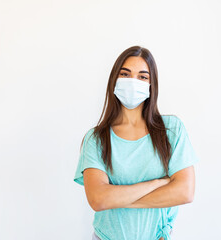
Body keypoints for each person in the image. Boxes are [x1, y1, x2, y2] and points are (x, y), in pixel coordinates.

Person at [74, 45, 199, 240]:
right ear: (114, 80)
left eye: (142, 77)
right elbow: (98, 199)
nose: (133, 82)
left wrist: (117, 199)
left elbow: (185, 191)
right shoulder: (96, 139)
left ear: (151, 85)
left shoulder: (171, 130)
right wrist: (157, 184)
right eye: (125, 74)